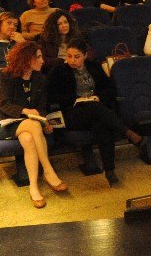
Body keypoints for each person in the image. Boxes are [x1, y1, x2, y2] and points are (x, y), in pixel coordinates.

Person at [47, 37, 143, 185]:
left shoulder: (93, 66)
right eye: (69, 56)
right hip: (71, 113)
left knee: (102, 125)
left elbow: (109, 88)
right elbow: (51, 95)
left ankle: (109, 170)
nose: (72, 60)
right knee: (93, 108)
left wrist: (98, 97)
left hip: (95, 110)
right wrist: (75, 99)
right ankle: (126, 131)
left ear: (85, 55)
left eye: (77, 57)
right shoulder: (59, 70)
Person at [0, 41, 66, 208]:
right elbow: (3, 104)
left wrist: (43, 120)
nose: (42, 61)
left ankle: (33, 188)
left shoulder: (40, 78)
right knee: (32, 126)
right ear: (27, 59)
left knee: (28, 140)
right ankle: (48, 170)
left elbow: (41, 107)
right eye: (38, 57)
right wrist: (25, 111)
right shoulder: (7, 76)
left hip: (30, 124)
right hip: (7, 123)